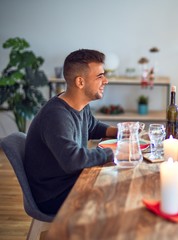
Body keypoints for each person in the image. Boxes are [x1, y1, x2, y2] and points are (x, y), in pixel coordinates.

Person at [24, 49, 117, 215]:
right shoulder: (56, 116)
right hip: (54, 195)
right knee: (118, 194)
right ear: (80, 82)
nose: (106, 81)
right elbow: (73, 160)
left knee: (119, 182)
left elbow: (92, 127)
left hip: (70, 181)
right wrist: (113, 152)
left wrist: (122, 132)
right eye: (99, 76)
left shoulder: (78, 104)